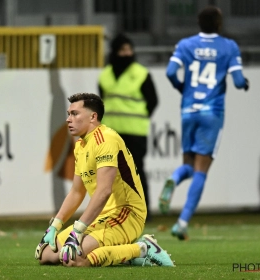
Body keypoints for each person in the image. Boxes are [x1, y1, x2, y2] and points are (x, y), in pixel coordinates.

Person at [35, 92, 173, 267]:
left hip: (127, 213)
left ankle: (141, 249)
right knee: (47, 255)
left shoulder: (105, 139)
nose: (68, 119)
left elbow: (104, 191)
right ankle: (125, 252)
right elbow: (77, 192)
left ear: (93, 116)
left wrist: (78, 230)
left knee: (75, 260)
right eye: (69, 114)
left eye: (75, 114)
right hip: (102, 216)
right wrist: (55, 225)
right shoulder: (81, 145)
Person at [159, 6, 249, 240]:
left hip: (189, 110)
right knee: (201, 170)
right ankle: (182, 222)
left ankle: (175, 178)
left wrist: (183, 89)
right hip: (212, 112)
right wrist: (245, 83)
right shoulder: (228, 46)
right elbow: (238, 81)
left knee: (188, 164)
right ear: (219, 24)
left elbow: (170, 72)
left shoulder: (186, 44)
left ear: (199, 24)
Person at [98, 34, 158, 221]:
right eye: (123, 50)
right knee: (112, 174)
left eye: (129, 50)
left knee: (136, 172)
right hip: (112, 133)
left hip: (135, 132)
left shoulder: (141, 73)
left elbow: (153, 101)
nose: (127, 53)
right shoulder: (105, 75)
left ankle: (142, 212)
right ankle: (117, 212)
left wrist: (138, 118)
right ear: (115, 52)